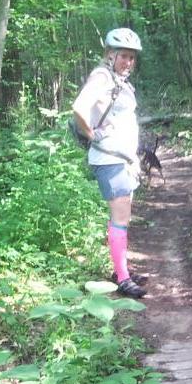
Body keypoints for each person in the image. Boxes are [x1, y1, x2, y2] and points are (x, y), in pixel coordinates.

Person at [72, 27, 147, 299]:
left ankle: (121, 269)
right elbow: (80, 107)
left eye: (132, 57)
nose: (129, 62)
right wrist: (92, 135)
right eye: (124, 56)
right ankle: (123, 279)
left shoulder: (118, 79)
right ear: (110, 54)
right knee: (120, 218)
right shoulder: (102, 76)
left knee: (123, 217)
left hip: (121, 159)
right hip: (109, 159)